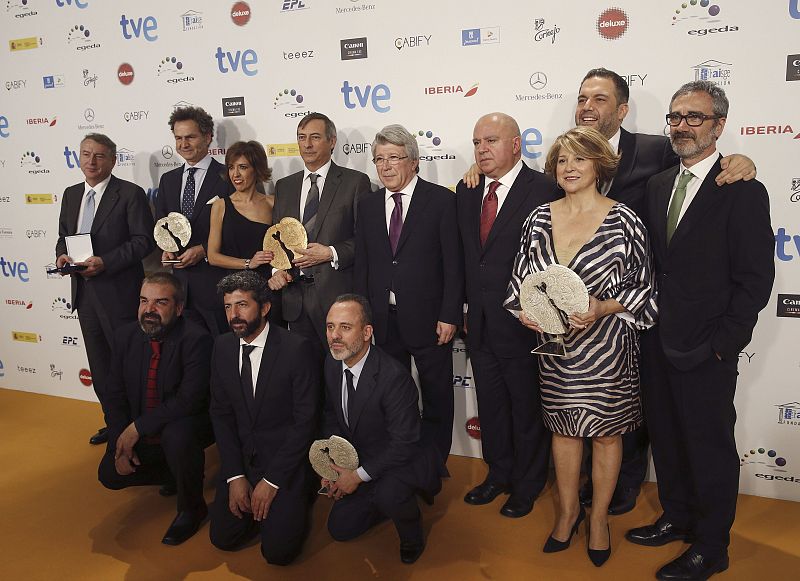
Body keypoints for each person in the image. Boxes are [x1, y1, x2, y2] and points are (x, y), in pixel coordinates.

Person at [464, 69, 757, 516]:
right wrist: (484, 164)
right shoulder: (547, 210)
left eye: (693, 118)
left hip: (637, 340)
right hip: (565, 349)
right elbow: (524, 269)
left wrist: (739, 161)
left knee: (655, 437)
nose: (588, 106)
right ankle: (643, 517)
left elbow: (728, 272)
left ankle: (658, 523)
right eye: (582, 97)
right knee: (597, 433)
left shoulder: (661, 157)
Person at [627, 81, 774, 581]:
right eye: (675, 116)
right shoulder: (656, 184)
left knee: (709, 447)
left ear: (718, 125)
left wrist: (724, 344)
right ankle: (679, 516)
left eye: (694, 117)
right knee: (666, 439)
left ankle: (712, 546)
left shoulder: (744, 189)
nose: (682, 125)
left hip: (707, 348)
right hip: (656, 340)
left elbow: (755, 280)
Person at [505, 126, 656, 566]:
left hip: (607, 347)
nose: (569, 168)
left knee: (607, 436)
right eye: (562, 161)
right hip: (557, 350)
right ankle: (569, 513)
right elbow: (521, 281)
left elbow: (642, 286)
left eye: (579, 159)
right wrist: (526, 313)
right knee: (564, 432)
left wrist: (603, 307)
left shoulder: (624, 219)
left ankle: (599, 519)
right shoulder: (537, 217)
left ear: (599, 165)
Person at [457, 113, 559, 519]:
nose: (482, 149)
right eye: (477, 142)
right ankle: (497, 474)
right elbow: (463, 260)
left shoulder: (547, 189)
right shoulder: (466, 191)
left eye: (491, 141)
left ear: (516, 144)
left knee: (525, 408)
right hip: (478, 324)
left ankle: (528, 484)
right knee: (493, 406)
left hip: (524, 325)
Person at [354, 124, 463, 463]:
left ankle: (433, 464)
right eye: (379, 159)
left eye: (394, 158)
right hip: (384, 321)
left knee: (436, 397)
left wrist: (449, 315)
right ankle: (400, 460)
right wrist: (362, 317)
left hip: (431, 321)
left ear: (413, 161)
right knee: (392, 397)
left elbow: (454, 265)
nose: (385, 166)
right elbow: (363, 265)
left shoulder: (442, 200)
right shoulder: (368, 206)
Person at [321, 294, 446, 564]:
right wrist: (334, 463)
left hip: (402, 458)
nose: (335, 336)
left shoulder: (393, 378)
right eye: (330, 327)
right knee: (340, 530)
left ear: (367, 332)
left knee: (391, 494)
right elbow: (332, 416)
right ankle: (377, 498)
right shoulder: (332, 363)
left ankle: (412, 532)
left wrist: (356, 477)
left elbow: (404, 444)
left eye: (345, 327)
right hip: (363, 456)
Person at [208, 271, 320, 566]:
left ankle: (298, 499)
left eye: (242, 305)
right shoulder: (222, 347)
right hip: (243, 463)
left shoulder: (297, 349)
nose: (234, 315)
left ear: (265, 308)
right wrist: (234, 476)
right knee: (222, 538)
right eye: (228, 307)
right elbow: (221, 415)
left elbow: (304, 422)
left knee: (278, 554)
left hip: (284, 465)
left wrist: (272, 481)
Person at [98, 273, 214, 545]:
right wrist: (119, 441)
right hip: (146, 423)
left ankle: (192, 507)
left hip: (190, 422)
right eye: (143, 301)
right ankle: (176, 471)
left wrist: (136, 428)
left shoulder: (197, 339)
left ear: (179, 308)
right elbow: (113, 395)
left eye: (160, 302)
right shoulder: (124, 336)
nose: (149, 310)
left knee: (177, 435)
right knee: (109, 475)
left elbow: (189, 400)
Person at [55, 133, 154, 446]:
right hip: (84, 297)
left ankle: (138, 432)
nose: (91, 161)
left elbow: (143, 242)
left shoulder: (130, 194)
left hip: (120, 295)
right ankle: (114, 425)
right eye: (86, 154)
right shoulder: (71, 194)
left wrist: (106, 262)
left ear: (113, 160)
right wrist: (60, 256)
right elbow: (63, 237)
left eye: (99, 156)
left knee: (128, 367)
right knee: (100, 368)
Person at [268, 113, 372, 357]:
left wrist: (330, 252)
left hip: (337, 298)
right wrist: (277, 270)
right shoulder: (285, 186)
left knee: (339, 375)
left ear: (332, 141)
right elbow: (276, 239)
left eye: (315, 137)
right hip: (294, 298)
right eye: (301, 138)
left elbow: (367, 241)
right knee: (303, 376)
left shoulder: (355, 182)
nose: (307, 144)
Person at [155, 106, 234, 337]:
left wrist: (203, 250)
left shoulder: (228, 177)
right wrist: (166, 250)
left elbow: (239, 230)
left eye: (190, 137)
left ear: (208, 137)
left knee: (221, 354)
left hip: (216, 286)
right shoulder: (167, 180)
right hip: (178, 289)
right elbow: (162, 225)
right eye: (178, 138)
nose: (183, 144)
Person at [207, 141, 275, 279]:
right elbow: (213, 256)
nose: (235, 174)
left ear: (256, 169)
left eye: (242, 167)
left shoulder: (272, 203)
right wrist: (248, 263)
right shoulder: (220, 206)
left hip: (267, 282)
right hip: (233, 286)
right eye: (231, 168)